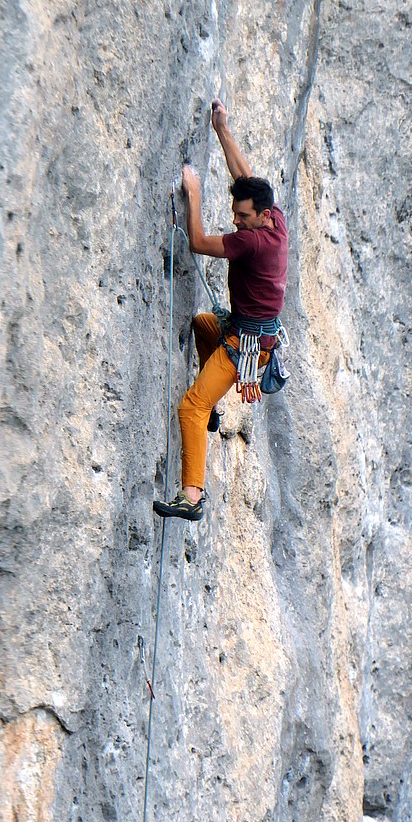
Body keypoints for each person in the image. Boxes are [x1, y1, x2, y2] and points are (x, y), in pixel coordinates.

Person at [153, 98, 289, 522]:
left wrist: (193, 195)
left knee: (189, 407)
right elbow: (244, 177)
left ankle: (192, 496)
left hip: (244, 347)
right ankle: (213, 406)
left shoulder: (251, 241)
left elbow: (197, 242)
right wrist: (221, 129)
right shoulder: (273, 220)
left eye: (242, 215)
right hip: (248, 333)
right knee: (201, 323)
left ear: (260, 217)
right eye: (235, 212)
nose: (236, 219)